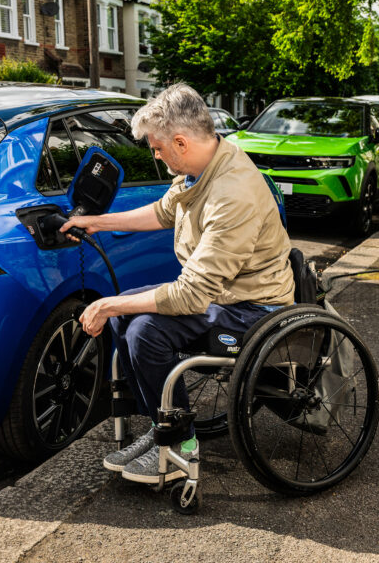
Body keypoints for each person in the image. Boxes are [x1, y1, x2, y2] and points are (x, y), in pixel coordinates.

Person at [60, 83, 295, 484]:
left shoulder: (232, 194)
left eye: (157, 147)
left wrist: (109, 304)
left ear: (181, 142)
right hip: (223, 296)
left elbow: (191, 294)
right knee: (124, 320)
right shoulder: (200, 168)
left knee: (144, 330)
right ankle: (159, 429)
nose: (155, 154)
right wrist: (96, 223)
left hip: (256, 309)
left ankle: (179, 445)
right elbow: (163, 211)